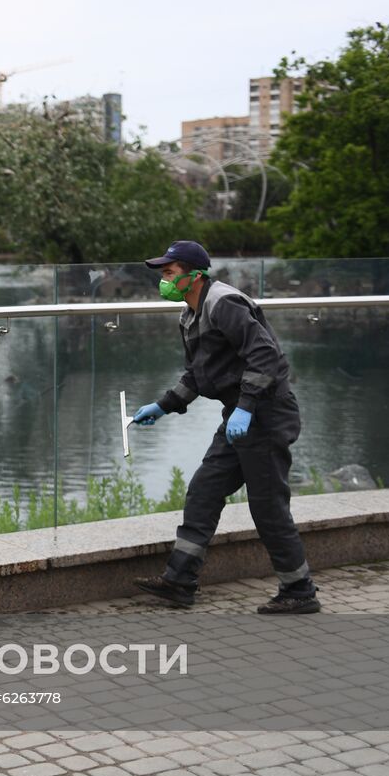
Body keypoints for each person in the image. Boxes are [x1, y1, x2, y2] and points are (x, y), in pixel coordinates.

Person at [130, 240, 320, 614]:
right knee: (204, 490)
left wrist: (247, 407)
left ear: (195, 276)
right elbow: (199, 375)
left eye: (170, 273)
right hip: (240, 415)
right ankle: (180, 581)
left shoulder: (223, 303)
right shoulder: (189, 315)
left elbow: (265, 354)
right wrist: (164, 406)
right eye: (163, 274)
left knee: (267, 507)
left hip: (265, 413)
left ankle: (299, 590)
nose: (163, 281)